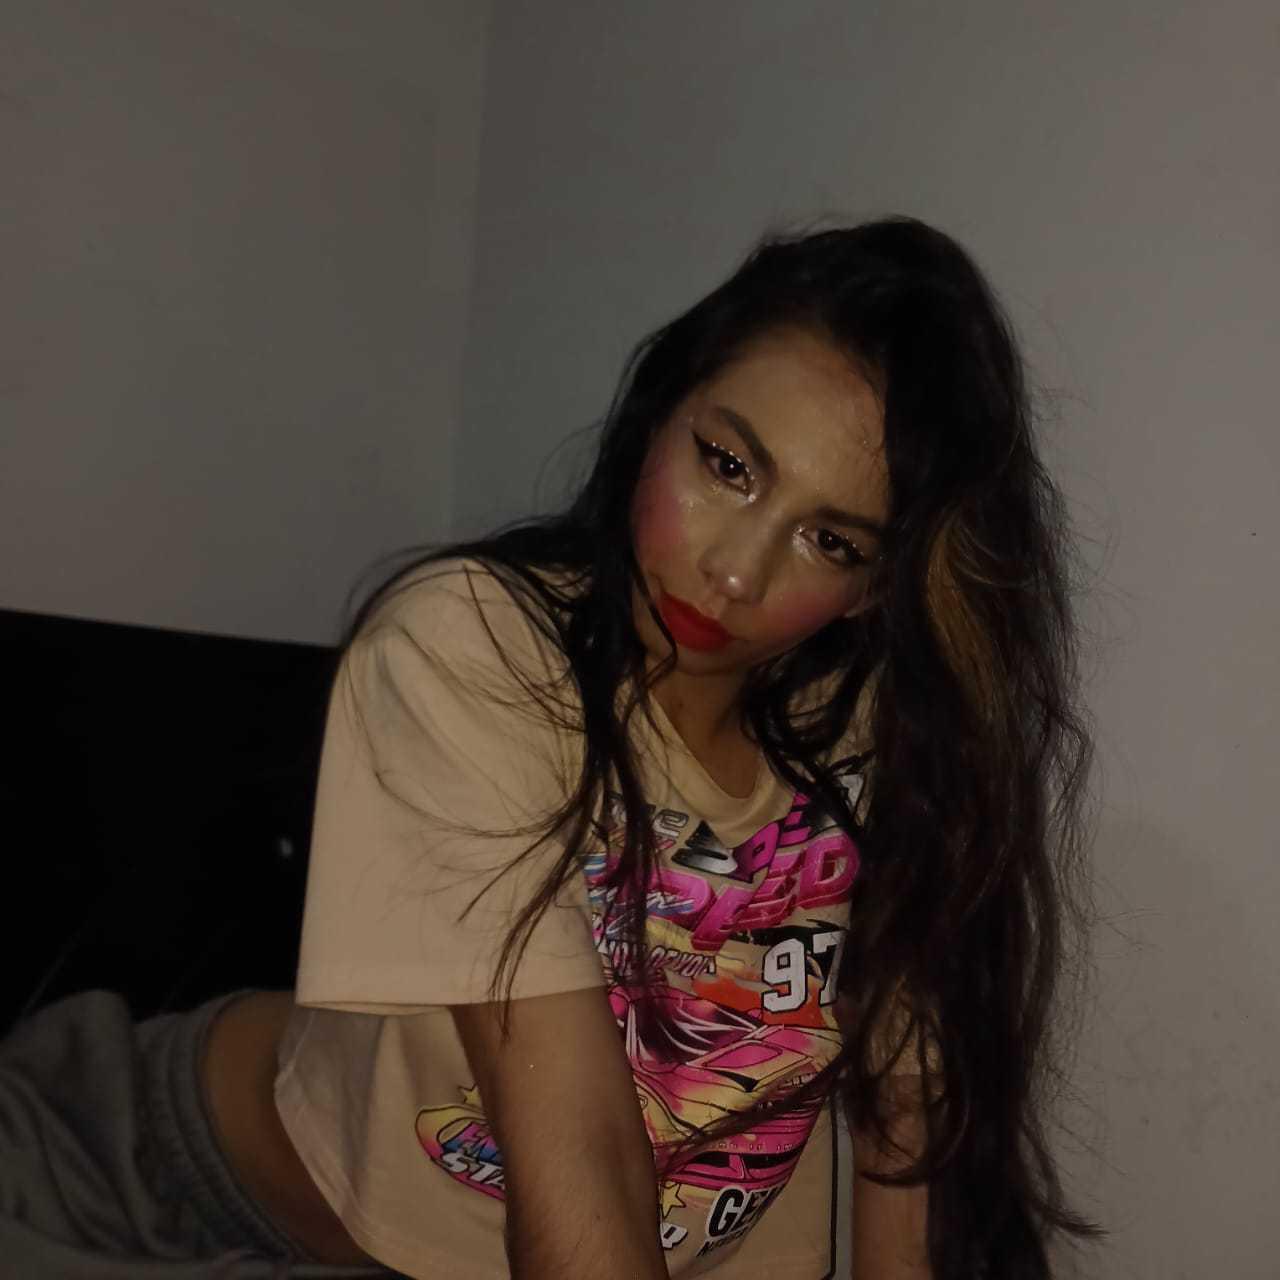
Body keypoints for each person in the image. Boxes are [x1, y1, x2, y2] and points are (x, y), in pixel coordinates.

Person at [0, 216, 1095, 1279]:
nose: (735, 572)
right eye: (727, 465)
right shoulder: (478, 650)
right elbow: (581, 1151)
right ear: (661, 410)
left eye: (829, 539)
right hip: (118, 1180)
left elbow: (908, 1135)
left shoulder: (884, 754)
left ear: (875, 588)